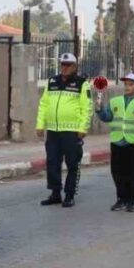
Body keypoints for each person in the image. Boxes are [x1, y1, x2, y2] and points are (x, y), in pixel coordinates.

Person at [36, 52, 92, 208]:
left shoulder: (82, 84)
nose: (65, 67)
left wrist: (83, 128)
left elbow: (86, 108)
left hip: (72, 131)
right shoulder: (52, 81)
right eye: (62, 64)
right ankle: (55, 193)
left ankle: (69, 194)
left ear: (74, 67)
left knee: (72, 163)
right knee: (52, 162)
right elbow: (44, 105)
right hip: (53, 130)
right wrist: (40, 124)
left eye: (68, 65)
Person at [96, 72, 134, 213]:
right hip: (117, 142)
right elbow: (107, 117)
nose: (127, 87)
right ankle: (121, 199)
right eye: (126, 84)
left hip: (133, 143)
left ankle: (131, 201)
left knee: (133, 173)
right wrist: (100, 109)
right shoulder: (115, 101)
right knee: (117, 172)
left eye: (130, 84)